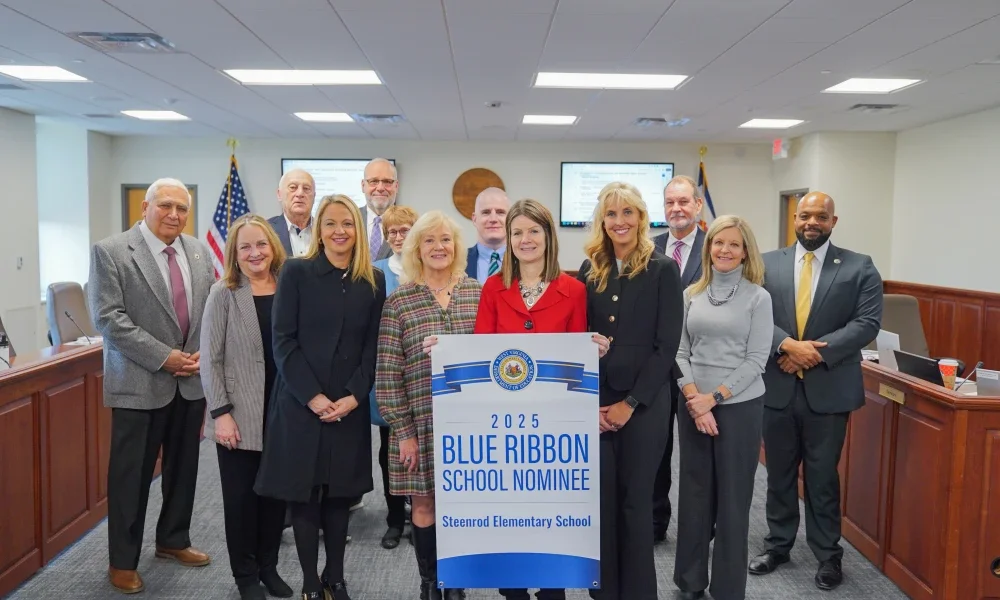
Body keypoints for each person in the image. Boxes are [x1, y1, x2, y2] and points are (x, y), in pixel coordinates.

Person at [472, 198, 608, 600]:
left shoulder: (575, 290)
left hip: (554, 423)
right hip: (505, 422)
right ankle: (512, 589)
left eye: (534, 231)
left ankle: (553, 589)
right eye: (517, 233)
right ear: (508, 240)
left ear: (549, 236)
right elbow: (481, 351)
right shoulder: (493, 288)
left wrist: (594, 349)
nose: (525, 239)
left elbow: (574, 358)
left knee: (551, 506)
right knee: (510, 507)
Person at [748, 192, 883, 591]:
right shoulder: (767, 264)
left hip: (829, 390)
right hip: (776, 385)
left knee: (823, 477)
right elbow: (753, 313)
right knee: (779, 474)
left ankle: (828, 555)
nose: (812, 222)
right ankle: (778, 544)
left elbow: (867, 323)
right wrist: (787, 345)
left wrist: (811, 354)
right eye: (805, 215)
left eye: (820, 217)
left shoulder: (859, 266)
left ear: (833, 221)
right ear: (795, 217)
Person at [254, 195, 386, 600]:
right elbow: (283, 342)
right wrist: (313, 397)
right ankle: (311, 581)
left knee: (341, 494)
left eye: (347, 223)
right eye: (330, 223)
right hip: (300, 405)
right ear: (318, 229)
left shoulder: (373, 280)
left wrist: (352, 396)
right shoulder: (296, 272)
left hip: (348, 406)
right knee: (306, 495)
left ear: (358, 229)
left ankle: (336, 576)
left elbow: (372, 347)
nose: (340, 231)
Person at [89, 178, 215, 594]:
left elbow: (206, 310)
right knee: (131, 476)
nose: (175, 215)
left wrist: (198, 354)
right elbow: (108, 318)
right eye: (166, 206)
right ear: (144, 206)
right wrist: (165, 357)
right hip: (139, 383)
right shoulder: (112, 251)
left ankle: (172, 540)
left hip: (190, 383)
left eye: (182, 208)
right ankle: (122, 560)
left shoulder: (198, 251)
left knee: (183, 470)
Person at [576, 182, 684, 600]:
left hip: (644, 407)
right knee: (600, 504)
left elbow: (666, 347)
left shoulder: (661, 269)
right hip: (597, 405)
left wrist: (631, 403)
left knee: (636, 505)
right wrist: (594, 402)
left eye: (627, 213)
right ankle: (603, 593)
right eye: (611, 214)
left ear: (641, 218)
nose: (619, 221)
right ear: (601, 221)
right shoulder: (591, 269)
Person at [376, 210, 481, 600]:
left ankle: (454, 582)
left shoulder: (477, 293)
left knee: (461, 506)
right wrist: (402, 432)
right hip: (419, 424)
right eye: (429, 240)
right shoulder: (399, 302)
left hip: (471, 424)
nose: (438, 247)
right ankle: (430, 583)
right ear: (416, 248)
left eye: (445, 239)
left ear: (456, 246)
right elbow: (387, 375)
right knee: (425, 505)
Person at [672, 215, 773, 600]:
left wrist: (714, 399)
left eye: (733, 244)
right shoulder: (691, 294)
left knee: (733, 501)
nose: (725, 250)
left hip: (739, 407)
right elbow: (679, 351)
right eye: (718, 243)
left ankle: (729, 589)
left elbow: (756, 360)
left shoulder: (758, 297)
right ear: (708, 247)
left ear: (745, 251)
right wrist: (696, 401)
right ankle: (689, 581)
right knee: (694, 496)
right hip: (693, 403)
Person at [200, 214, 294, 600]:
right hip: (238, 416)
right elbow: (210, 359)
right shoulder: (224, 292)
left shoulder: (289, 288)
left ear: (273, 247)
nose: (255, 253)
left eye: (261, 244)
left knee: (275, 498)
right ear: (234, 254)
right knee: (241, 501)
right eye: (245, 247)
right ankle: (246, 576)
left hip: (284, 413)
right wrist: (221, 413)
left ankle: (269, 567)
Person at [651, 175, 707, 543]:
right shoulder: (647, 247)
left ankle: (699, 525)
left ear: (698, 206)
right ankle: (656, 523)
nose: (676, 209)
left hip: (700, 369)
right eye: (670, 202)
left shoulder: (714, 247)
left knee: (698, 454)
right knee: (656, 450)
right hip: (655, 369)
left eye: (684, 202)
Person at [370, 204, 419, 550]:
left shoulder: (429, 268)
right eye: (393, 232)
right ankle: (393, 520)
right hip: (388, 376)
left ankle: (421, 517)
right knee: (391, 450)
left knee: (424, 452)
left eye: (405, 230)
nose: (399, 237)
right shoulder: (374, 272)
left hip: (422, 378)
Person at [464, 187, 510, 283]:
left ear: (511, 218)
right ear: (474, 219)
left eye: (500, 212)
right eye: (486, 212)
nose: (493, 219)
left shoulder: (523, 260)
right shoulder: (457, 261)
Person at [268, 168, 316, 257]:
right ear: (279, 194)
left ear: (314, 196)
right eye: (293, 187)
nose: (300, 193)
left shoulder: (325, 230)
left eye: (306, 188)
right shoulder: (266, 230)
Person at [361, 158, 399, 262]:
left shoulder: (411, 225)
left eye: (387, 182)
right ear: (363, 186)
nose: (380, 188)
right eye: (374, 181)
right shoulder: (350, 220)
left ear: (396, 186)